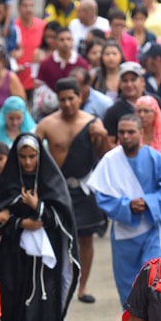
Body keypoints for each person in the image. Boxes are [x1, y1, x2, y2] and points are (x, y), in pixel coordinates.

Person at [0, 133, 80, 321]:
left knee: (40, 307)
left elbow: (62, 219)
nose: (28, 162)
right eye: (22, 157)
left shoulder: (51, 181)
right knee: (11, 302)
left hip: (43, 263)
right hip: (14, 257)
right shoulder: (8, 182)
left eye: (32, 157)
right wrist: (21, 221)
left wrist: (37, 205)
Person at [87, 114, 161, 305]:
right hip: (123, 232)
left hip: (153, 227)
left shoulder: (155, 158)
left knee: (157, 273)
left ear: (141, 133)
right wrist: (126, 206)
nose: (126, 136)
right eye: (122, 132)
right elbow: (102, 197)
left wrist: (148, 202)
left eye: (131, 132)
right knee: (127, 283)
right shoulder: (110, 160)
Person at [36, 78, 109, 304]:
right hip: (57, 190)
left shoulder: (93, 122)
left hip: (83, 188)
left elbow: (104, 156)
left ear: (80, 97)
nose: (67, 103)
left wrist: (103, 136)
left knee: (86, 238)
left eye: (71, 98)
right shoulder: (46, 124)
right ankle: (57, 282)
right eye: (63, 99)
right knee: (56, 237)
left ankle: (82, 286)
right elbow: (32, 154)